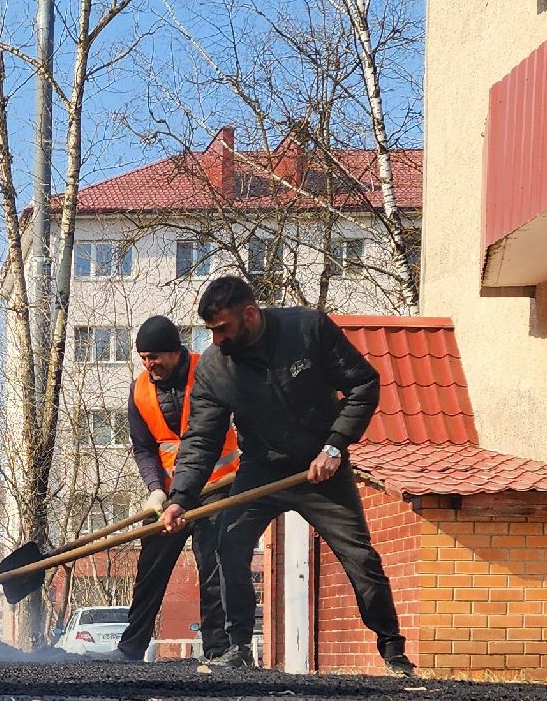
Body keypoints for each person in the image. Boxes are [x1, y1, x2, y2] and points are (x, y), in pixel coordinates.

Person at [157, 275, 417, 677]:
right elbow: (201, 440)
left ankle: (394, 652)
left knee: (360, 559)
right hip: (261, 470)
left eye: (223, 328)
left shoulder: (307, 329)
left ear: (249, 313)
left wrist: (335, 446)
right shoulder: (214, 368)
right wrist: (180, 499)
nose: (217, 339)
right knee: (230, 541)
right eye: (210, 331)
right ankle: (239, 645)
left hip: (321, 468)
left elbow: (364, 384)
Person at [115, 315, 238, 663]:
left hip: (217, 487)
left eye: (155, 357)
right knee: (150, 568)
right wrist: (155, 487)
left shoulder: (208, 372)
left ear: (175, 351)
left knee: (214, 568)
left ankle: (217, 651)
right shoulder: (138, 389)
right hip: (167, 495)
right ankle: (131, 647)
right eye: (143, 358)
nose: (150, 365)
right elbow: (143, 448)